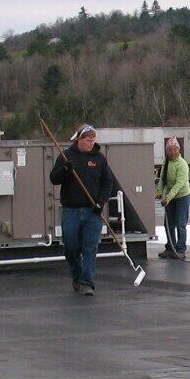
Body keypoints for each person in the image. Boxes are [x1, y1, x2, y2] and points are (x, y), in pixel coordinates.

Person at [49, 124, 120, 295]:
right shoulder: (66, 156)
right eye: (88, 140)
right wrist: (65, 169)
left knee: (90, 247)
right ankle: (77, 274)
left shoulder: (99, 159)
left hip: (92, 211)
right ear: (79, 139)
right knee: (71, 247)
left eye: (93, 140)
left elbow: (107, 182)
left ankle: (87, 282)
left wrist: (100, 202)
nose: (91, 143)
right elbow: (54, 178)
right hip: (71, 210)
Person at [156, 136, 190, 260]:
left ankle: (181, 250)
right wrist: (160, 191)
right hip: (170, 197)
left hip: (182, 196)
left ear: (178, 150)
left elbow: (179, 185)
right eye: (169, 150)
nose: (172, 152)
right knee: (168, 223)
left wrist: (168, 197)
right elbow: (162, 178)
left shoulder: (182, 164)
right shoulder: (166, 162)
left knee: (181, 223)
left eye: (174, 149)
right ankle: (171, 247)